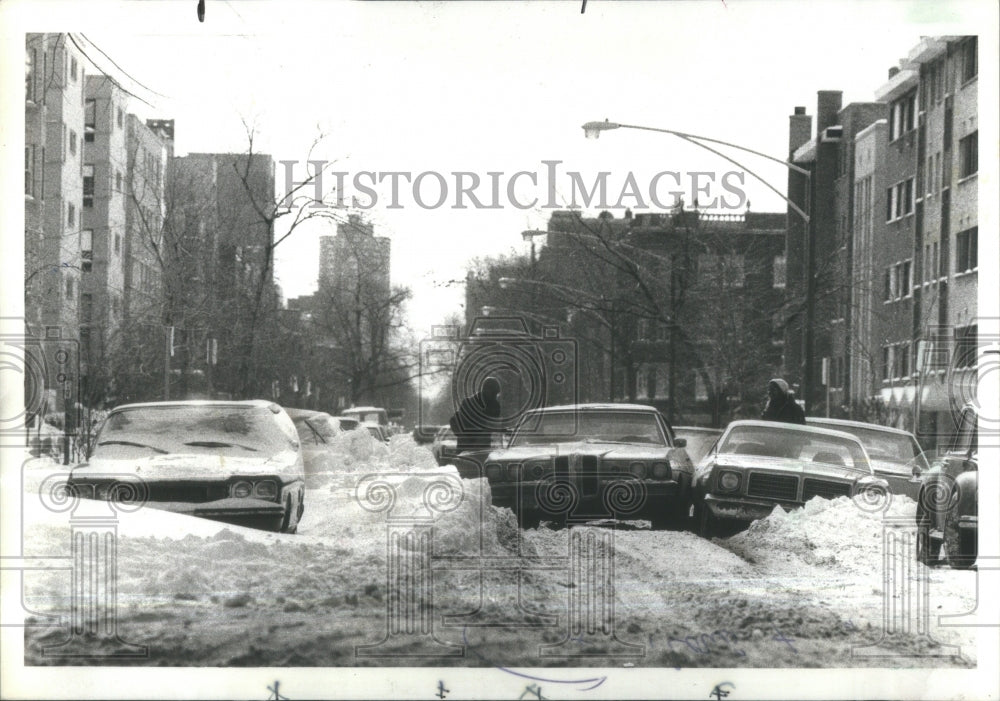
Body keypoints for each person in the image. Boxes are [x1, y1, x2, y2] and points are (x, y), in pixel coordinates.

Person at [450, 377, 502, 453]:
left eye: (496, 394)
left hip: (482, 448)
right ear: (487, 391)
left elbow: (493, 427)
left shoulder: (494, 405)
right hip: (467, 448)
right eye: (494, 393)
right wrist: (464, 437)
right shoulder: (469, 403)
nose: (495, 396)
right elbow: (454, 421)